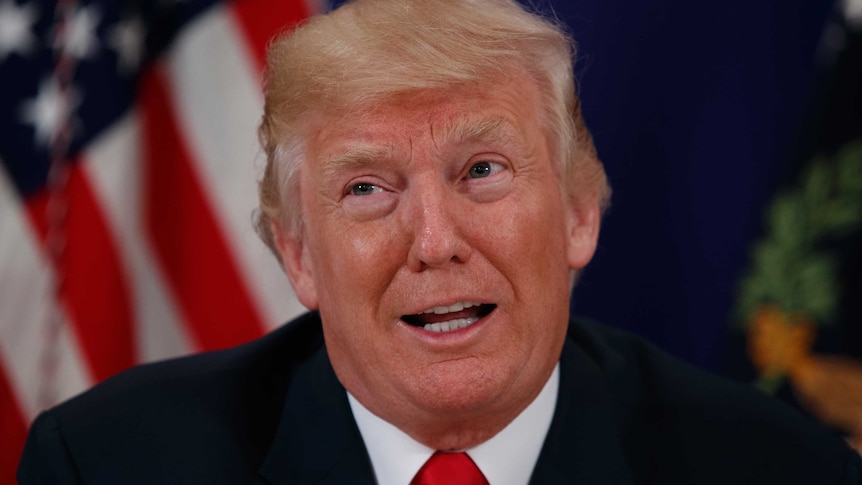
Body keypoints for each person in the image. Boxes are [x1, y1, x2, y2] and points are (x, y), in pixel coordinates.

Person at [17, 0, 862, 483]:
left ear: (578, 213)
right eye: (367, 189)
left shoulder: (781, 473)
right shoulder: (108, 467)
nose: (434, 241)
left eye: (483, 170)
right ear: (300, 255)